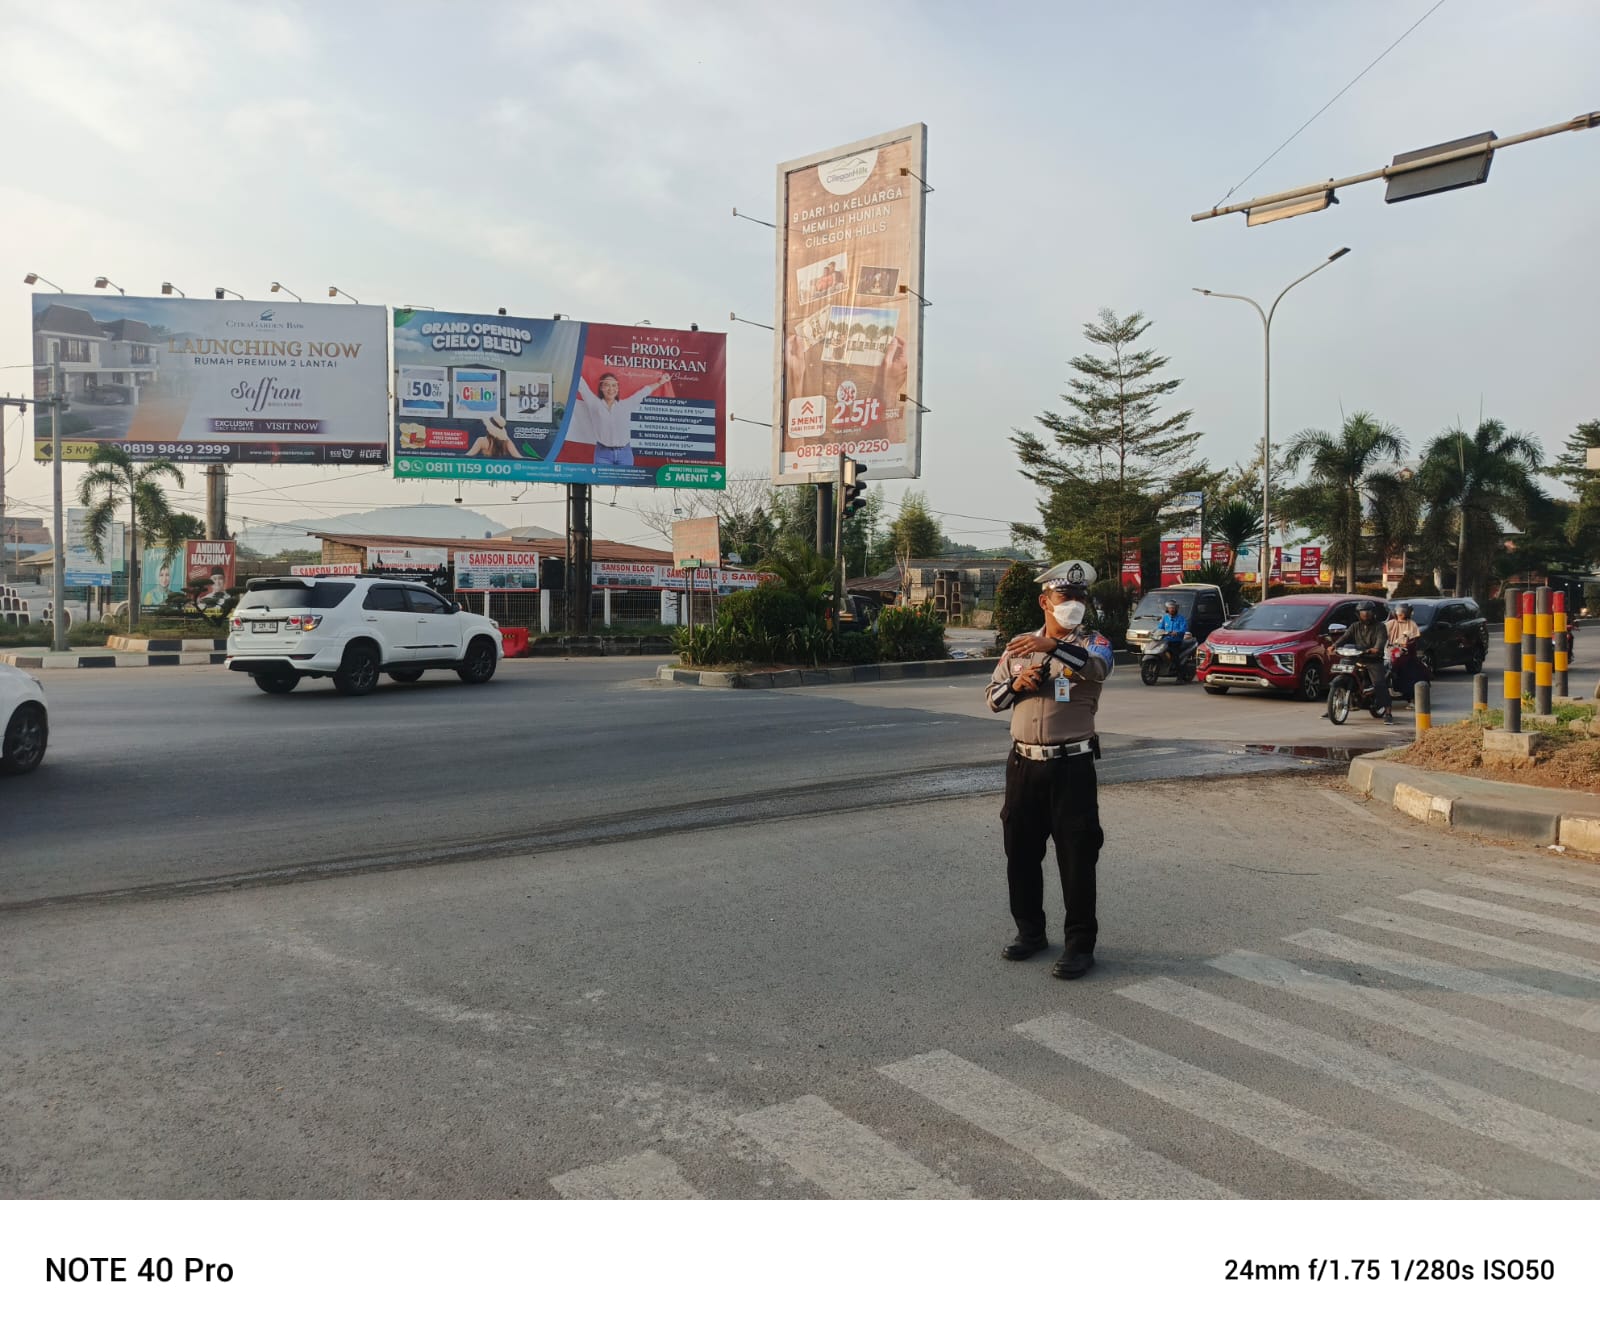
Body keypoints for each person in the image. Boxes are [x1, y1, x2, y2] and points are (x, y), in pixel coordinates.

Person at [986, 559, 1115, 980]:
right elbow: (992, 699)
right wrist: (1016, 684)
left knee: (1077, 857)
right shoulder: (1019, 646)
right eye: (1065, 595)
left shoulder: (1094, 642)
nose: (1073, 603)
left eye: (1080, 596)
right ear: (1045, 601)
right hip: (1023, 765)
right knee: (1021, 853)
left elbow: (1098, 668)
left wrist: (1052, 647)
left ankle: (1079, 946)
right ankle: (1030, 932)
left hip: (1072, 767)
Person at [575, 370, 671, 467]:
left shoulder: (626, 405)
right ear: (601, 388)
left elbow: (643, 392)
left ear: (617, 388)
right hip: (602, 454)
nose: (611, 389)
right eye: (607, 385)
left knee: (625, 477)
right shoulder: (594, 403)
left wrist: (660, 382)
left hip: (625, 454)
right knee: (602, 478)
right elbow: (581, 385)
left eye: (614, 385)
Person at [1338, 600, 1392, 723]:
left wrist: (1376, 649)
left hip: (1373, 659)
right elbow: (1344, 637)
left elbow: (1381, 640)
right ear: (1358, 614)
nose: (1365, 615)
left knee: (1379, 684)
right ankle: (1335, 704)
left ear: (1373, 613)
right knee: (1342, 674)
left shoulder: (1380, 627)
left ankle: (1388, 712)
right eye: (1363, 613)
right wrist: (1334, 646)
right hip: (1356, 657)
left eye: (1368, 612)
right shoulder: (1354, 626)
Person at [1385, 601, 1424, 702]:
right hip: (1390, 651)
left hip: (1406, 653)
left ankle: (1411, 698)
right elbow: (1382, 633)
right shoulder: (1391, 623)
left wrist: (1407, 644)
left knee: (1409, 672)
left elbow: (1414, 639)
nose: (1400, 613)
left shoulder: (1412, 624)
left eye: (1403, 611)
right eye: (1398, 611)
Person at [1154, 597, 1188, 665]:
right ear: (1167, 609)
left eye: (1173, 608)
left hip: (1176, 642)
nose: (1172, 609)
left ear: (1176, 608)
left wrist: (1177, 632)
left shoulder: (1181, 618)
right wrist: (1158, 632)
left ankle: (1178, 669)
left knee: (1175, 657)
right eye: (1170, 608)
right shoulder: (1165, 617)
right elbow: (1160, 627)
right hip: (1165, 641)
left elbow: (1184, 628)